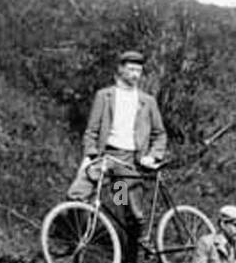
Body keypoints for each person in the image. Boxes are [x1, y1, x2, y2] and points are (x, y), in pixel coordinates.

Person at [66, 50, 167, 232]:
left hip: (128, 164)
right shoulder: (105, 96)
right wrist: (91, 155)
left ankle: (132, 257)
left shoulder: (147, 101)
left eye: (138, 70)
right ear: (121, 69)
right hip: (104, 159)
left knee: (127, 212)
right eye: (131, 69)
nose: (135, 74)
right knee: (77, 194)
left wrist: (153, 156)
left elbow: (160, 134)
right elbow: (91, 131)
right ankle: (74, 240)